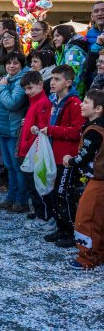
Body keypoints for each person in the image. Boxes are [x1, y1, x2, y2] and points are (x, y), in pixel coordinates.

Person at [41, 65, 85, 248]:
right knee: (54, 193)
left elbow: (77, 131)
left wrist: (51, 130)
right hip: (54, 154)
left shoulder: (74, 103)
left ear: (68, 82)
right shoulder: (54, 101)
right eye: (52, 78)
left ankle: (71, 231)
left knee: (64, 194)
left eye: (57, 79)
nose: (52, 82)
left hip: (66, 157)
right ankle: (61, 227)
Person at [65, 89, 104, 270]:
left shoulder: (95, 131)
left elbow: (84, 157)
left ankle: (86, 257)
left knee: (86, 218)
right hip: (98, 180)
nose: (82, 104)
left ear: (98, 109)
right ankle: (98, 252)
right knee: (98, 219)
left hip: (98, 182)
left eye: (86, 102)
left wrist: (70, 161)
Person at [18, 70, 56, 232]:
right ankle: (42, 215)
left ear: (41, 85)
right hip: (27, 150)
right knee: (32, 187)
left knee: (37, 187)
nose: (28, 92)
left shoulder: (42, 103)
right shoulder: (34, 102)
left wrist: (27, 143)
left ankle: (45, 218)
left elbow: (41, 129)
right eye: (26, 89)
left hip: (32, 151)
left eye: (30, 88)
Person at [0, 52, 29, 212]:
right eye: (9, 63)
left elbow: (12, 103)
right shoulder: (7, 79)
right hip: (3, 129)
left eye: (15, 63)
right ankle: (11, 198)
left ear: (21, 65)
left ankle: (22, 201)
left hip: (14, 130)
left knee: (17, 166)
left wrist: (2, 87)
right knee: (9, 166)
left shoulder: (21, 81)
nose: (11, 66)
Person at [53, 24, 88, 98]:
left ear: (66, 35)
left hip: (73, 95)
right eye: (54, 36)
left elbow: (73, 77)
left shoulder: (73, 51)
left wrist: (65, 95)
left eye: (57, 36)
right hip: (64, 93)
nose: (54, 39)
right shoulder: (61, 51)